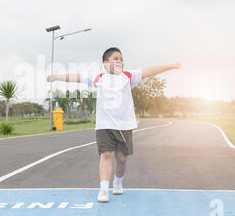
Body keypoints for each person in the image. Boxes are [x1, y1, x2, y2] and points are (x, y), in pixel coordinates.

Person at [46, 47, 181, 202]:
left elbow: (149, 71)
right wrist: (56, 77)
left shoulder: (128, 76)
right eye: (116, 58)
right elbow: (76, 77)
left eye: (121, 59)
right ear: (105, 63)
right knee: (106, 155)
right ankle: (103, 189)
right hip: (104, 124)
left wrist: (170, 66)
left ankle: (118, 182)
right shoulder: (98, 77)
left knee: (121, 158)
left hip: (125, 125)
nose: (120, 61)